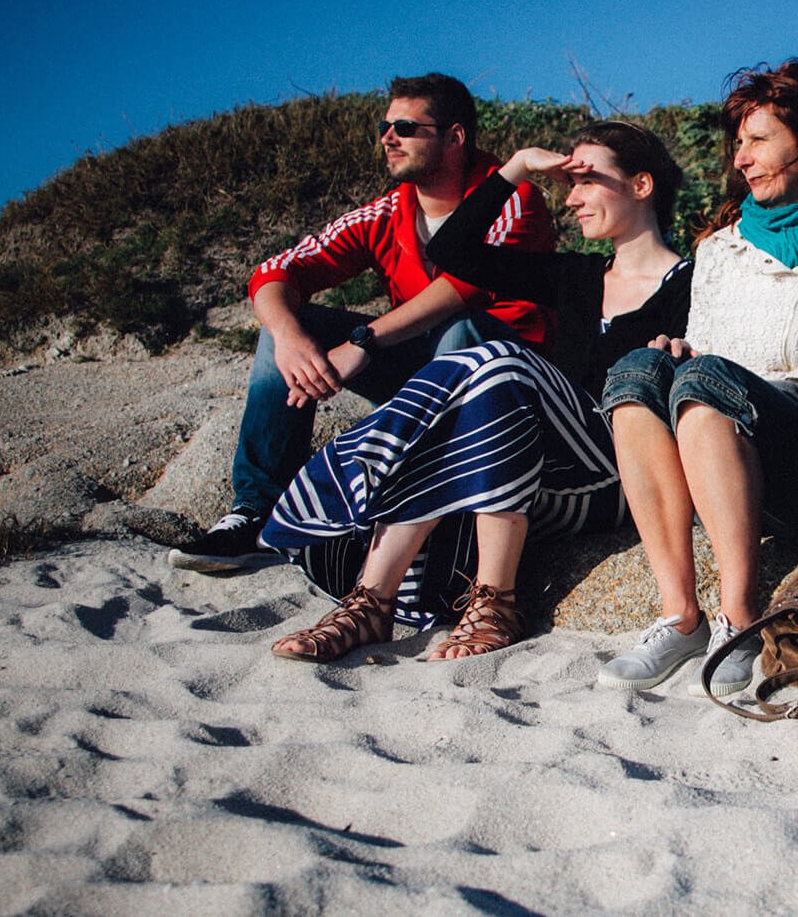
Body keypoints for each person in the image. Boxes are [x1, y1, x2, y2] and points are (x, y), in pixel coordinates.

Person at [263, 121, 693, 662]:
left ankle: (495, 602)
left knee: (497, 362)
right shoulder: (577, 277)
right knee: (485, 369)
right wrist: (514, 169)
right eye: (569, 184)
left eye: (586, 180)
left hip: (618, 475)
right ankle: (372, 604)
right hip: (539, 479)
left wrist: (679, 357)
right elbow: (454, 252)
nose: (573, 199)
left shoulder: (693, 286)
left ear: (641, 185)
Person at [167, 73, 553, 573]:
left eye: (405, 127)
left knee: (462, 336)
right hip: (422, 374)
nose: (387, 138)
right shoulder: (388, 212)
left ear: (454, 137)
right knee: (288, 323)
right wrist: (288, 337)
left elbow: (467, 288)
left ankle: (444, 516)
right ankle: (255, 513)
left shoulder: (512, 194)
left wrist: (364, 341)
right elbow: (276, 272)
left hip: (510, 386)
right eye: (383, 126)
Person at [597, 60, 798, 697]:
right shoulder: (719, 250)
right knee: (640, 369)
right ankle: (682, 615)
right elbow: (713, 351)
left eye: (759, 140)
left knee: (711, 381)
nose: (742, 158)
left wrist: (752, 383)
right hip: (721, 432)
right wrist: (685, 353)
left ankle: (740, 616)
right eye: (738, 144)